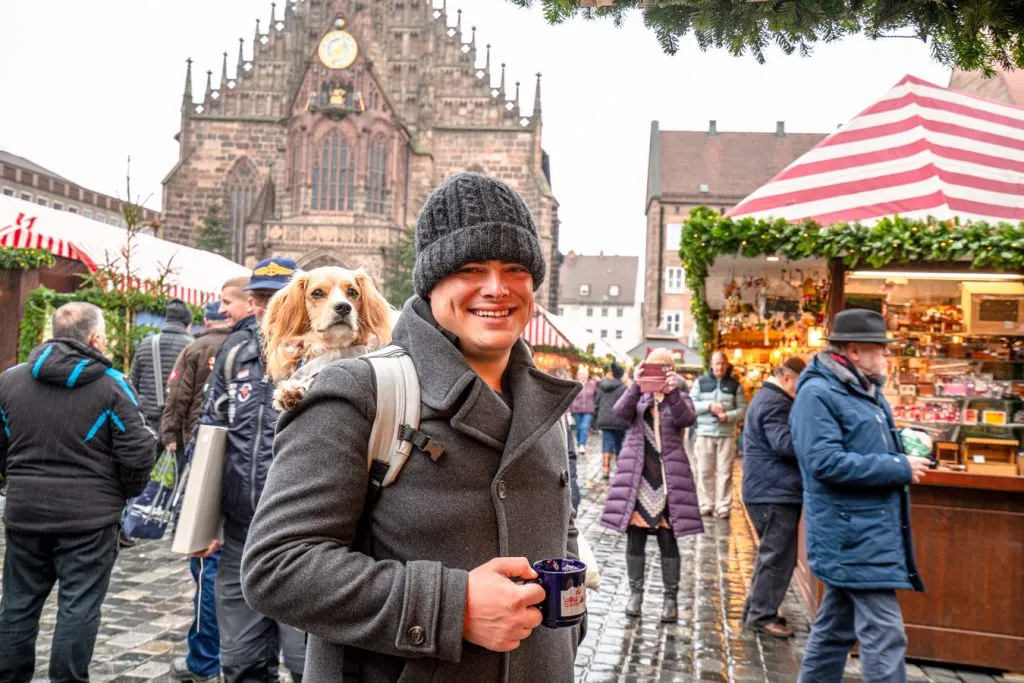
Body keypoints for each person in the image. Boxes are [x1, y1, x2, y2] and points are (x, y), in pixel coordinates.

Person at [241, 172, 584, 681]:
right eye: (470, 268)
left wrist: (566, 640)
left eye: (515, 268)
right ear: (431, 282)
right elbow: (277, 567)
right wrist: (452, 606)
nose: (497, 288)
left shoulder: (542, 400)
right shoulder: (359, 393)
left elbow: (562, 532)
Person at [0, 302, 157, 681]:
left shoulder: (10, 380)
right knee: (79, 607)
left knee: (17, 605)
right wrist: (124, 493)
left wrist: (12, 480)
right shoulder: (112, 385)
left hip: (25, 512)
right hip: (89, 520)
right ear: (96, 339)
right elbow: (139, 450)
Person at [791, 309, 927, 682]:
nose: (886, 356)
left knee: (834, 632)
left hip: (865, 531)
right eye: (880, 349)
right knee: (884, 635)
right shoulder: (817, 394)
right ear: (854, 351)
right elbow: (825, 463)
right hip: (852, 534)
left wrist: (905, 449)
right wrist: (899, 467)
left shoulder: (866, 391)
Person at [197, 258, 306, 683]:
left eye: (275, 298)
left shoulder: (329, 359)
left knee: (307, 664)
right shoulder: (235, 354)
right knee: (241, 661)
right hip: (241, 530)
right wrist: (202, 521)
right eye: (260, 298)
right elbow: (211, 435)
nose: (266, 308)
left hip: (304, 538)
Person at [160, 292, 241, 683]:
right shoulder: (250, 345)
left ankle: (206, 657)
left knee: (207, 560)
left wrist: (171, 439)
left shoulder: (200, 348)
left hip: (206, 454)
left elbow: (177, 398)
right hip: (244, 466)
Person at [600, 348, 702, 623]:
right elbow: (619, 412)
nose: (655, 373)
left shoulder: (678, 396)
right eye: (651, 368)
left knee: (668, 541)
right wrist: (636, 383)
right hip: (638, 478)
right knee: (635, 538)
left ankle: (671, 600)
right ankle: (636, 595)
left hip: (668, 480)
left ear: (670, 370)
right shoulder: (638, 394)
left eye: (661, 368)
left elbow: (687, 419)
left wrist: (670, 394)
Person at [740, 356, 806, 639]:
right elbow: (785, 444)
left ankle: (756, 609)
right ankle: (761, 616)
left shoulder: (768, 397)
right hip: (773, 491)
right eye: (800, 385)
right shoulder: (775, 402)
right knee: (777, 557)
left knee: (773, 556)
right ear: (788, 378)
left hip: (769, 489)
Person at [690, 350, 747, 518]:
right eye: (717, 363)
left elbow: (743, 409)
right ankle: (706, 504)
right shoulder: (700, 383)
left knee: (725, 472)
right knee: (704, 470)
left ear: (727, 365)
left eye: (722, 363)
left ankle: (723, 506)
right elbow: (690, 404)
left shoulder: (735, 385)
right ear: (711, 365)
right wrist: (708, 406)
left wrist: (728, 416)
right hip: (704, 433)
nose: (720, 367)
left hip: (726, 434)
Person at [130, 298, 195, 433]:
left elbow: (133, 383)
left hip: (148, 419)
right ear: (187, 324)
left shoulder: (146, 343)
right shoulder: (193, 347)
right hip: (178, 422)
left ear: (167, 320)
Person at [594, 362, 629, 479]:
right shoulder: (623, 387)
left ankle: (606, 469)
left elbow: (597, 401)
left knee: (607, 443)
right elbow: (626, 405)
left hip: (604, 420)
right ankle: (619, 469)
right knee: (619, 444)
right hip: (619, 421)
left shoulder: (602, 386)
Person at [569, 366, 597, 453]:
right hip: (576, 410)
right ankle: (579, 443)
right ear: (578, 375)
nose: (583, 376)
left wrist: (595, 406)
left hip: (588, 410)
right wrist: (569, 412)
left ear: (587, 375)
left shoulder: (592, 384)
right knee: (578, 428)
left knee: (584, 426)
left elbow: (596, 396)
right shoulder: (575, 384)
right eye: (581, 374)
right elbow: (570, 398)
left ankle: (582, 445)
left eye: (584, 374)